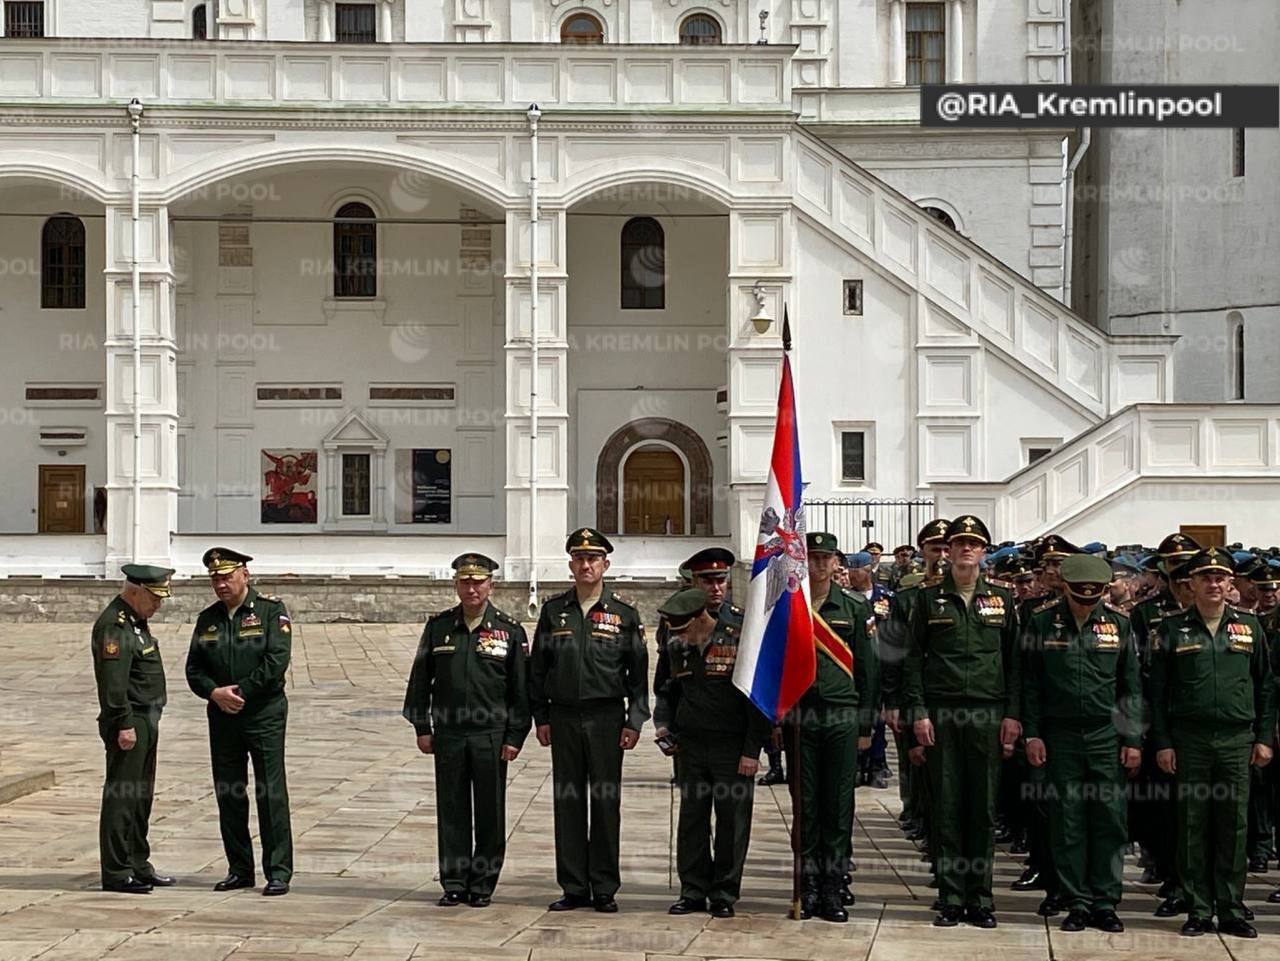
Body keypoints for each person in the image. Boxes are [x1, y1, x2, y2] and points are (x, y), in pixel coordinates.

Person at [1150, 547, 1276, 938]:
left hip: (1237, 740)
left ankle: (1231, 907)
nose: (1214, 584)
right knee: (1192, 825)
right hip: (1190, 740)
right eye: (1206, 577)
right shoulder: (1172, 629)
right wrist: (1163, 742)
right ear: (1192, 583)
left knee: (1233, 826)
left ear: (1230, 582)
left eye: (1220, 577)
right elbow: (1157, 693)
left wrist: (1264, 738)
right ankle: (1199, 909)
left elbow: (1265, 686)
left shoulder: (1249, 627)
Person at [903, 515, 1020, 928]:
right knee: (948, 806)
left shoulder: (1002, 600)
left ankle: (981, 898)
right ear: (948, 551)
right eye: (960, 543)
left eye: (974, 543)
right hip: (943, 713)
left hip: (987, 712)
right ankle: (952, 896)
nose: (967, 549)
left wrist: (1012, 714)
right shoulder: (928, 600)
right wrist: (918, 712)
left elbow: (1014, 662)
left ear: (984, 551)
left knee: (983, 808)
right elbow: (912, 659)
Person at [529, 527, 649, 913]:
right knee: (568, 802)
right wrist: (541, 716)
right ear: (571, 565)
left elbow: (638, 674)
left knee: (605, 803)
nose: (586, 565)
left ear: (605, 565)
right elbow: (538, 669)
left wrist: (634, 721)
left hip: (606, 718)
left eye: (593, 559)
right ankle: (574, 886)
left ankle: (604, 887)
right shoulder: (553, 612)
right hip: (563, 717)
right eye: (579, 559)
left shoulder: (623, 615)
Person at [1021, 554, 1142, 933]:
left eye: (1093, 598)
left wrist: (1132, 739)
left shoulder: (1119, 624)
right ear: (1066, 590)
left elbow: (1130, 686)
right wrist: (1032, 733)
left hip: (1106, 735)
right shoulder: (1042, 622)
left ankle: (1105, 901)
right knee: (1067, 820)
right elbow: (1030, 683)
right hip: (1060, 735)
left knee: (1109, 820)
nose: (1085, 605)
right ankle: (1076, 901)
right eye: (1079, 597)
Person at [403, 553, 530, 907]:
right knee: (452, 810)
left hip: (490, 734)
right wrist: (422, 726)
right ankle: (455, 882)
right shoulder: (439, 627)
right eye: (465, 582)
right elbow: (420, 680)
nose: (471, 589)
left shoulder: (509, 630)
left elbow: (521, 690)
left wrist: (515, 735)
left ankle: (483, 884)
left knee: (490, 812)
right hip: (450, 734)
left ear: (491, 585)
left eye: (478, 582)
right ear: (456, 585)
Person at [654, 587, 771, 919]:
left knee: (732, 822)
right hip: (691, 745)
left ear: (700, 619)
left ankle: (724, 892)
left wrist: (752, 751)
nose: (680, 638)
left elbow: (756, 700)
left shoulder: (739, 639)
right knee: (692, 820)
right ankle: (692, 890)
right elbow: (667, 689)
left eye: (684, 630)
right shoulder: (678, 645)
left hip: (731, 747)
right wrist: (664, 726)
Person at [185, 548, 294, 896]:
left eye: (227, 577)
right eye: (215, 579)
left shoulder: (271, 611)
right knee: (229, 793)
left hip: (263, 715)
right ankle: (239, 869)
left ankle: (278, 870)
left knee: (270, 792)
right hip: (223, 717)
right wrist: (214, 692)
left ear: (244, 575)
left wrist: (241, 692)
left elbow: (276, 661)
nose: (221, 584)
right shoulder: (208, 619)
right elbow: (194, 668)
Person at [795, 532, 877, 922]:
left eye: (825, 558)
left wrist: (865, 726)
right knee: (806, 804)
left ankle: (833, 883)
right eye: (812, 557)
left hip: (842, 715)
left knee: (839, 803)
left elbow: (868, 670)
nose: (819, 564)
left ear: (836, 563)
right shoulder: (790, 605)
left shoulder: (855, 607)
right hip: (801, 716)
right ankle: (808, 884)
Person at [93, 564, 176, 894]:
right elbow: (114, 684)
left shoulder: (135, 621)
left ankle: (138, 863)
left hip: (147, 717)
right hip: (130, 720)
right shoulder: (114, 625)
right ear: (134, 591)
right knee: (123, 796)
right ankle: (117, 871)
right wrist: (123, 723)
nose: (158, 605)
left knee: (140, 797)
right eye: (154, 598)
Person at [1130, 532, 1199, 914]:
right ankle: (1173, 878)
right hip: (1162, 721)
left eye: (1188, 564)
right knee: (1166, 810)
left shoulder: (1222, 613)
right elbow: (1137, 669)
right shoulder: (1147, 612)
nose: (1182, 573)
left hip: (1202, 720)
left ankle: (1208, 885)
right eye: (1174, 566)